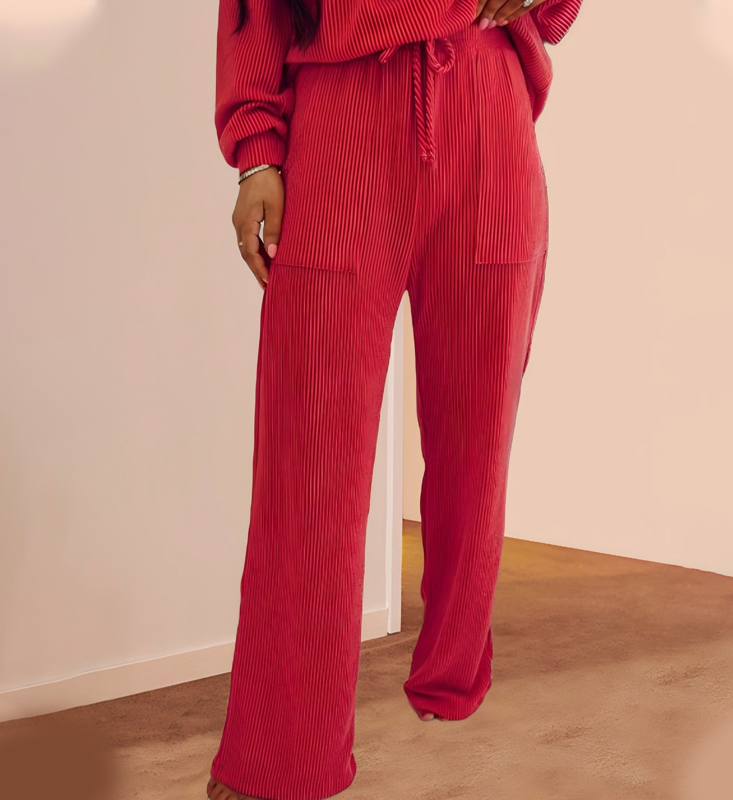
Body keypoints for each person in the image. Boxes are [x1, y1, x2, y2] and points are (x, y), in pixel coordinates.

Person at [206, 1, 583, 798]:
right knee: (310, 467)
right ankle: (284, 758)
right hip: (340, 127)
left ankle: (452, 672)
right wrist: (257, 153)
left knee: (478, 441)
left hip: (488, 116)